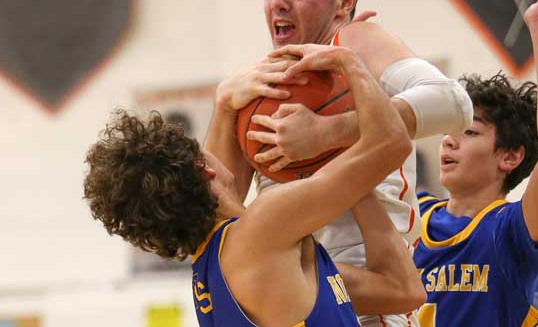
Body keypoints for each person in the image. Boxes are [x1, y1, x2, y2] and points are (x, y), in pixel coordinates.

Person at [205, 0, 472, 326]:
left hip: (369, 301)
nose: (278, 2)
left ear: (344, 0)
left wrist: (329, 132)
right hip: (290, 295)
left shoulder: (354, 42)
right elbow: (218, 212)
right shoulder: (260, 83)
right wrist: (223, 107)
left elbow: (455, 104)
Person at [83, 44, 425, 327]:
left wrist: (354, 184)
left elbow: (404, 291)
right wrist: (348, 60)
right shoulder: (263, 229)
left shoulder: (225, 268)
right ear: (205, 172)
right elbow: (392, 142)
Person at [412, 0, 538, 327]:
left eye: (469, 132)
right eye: (450, 132)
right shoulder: (414, 213)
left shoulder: (509, 230)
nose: (449, 143)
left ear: (511, 156)